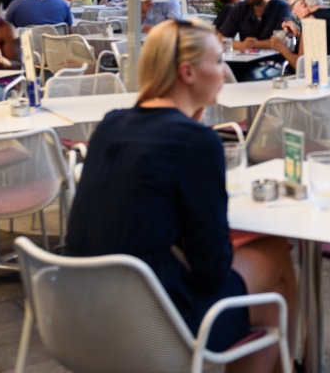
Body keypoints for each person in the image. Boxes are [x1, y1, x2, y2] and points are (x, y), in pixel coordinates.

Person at [65, 20, 297, 373]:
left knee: (265, 296)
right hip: (154, 326)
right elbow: (211, 270)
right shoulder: (194, 141)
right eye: (219, 62)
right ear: (187, 72)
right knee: (276, 252)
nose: (224, 72)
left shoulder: (111, 124)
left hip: (78, 317)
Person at [217, 0, 290, 51]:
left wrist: (254, 44)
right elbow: (221, 39)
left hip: (273, 61)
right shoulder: (240, 8)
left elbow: (281, 41)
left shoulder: (281, 7)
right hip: (245, 61)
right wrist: (242, 45)